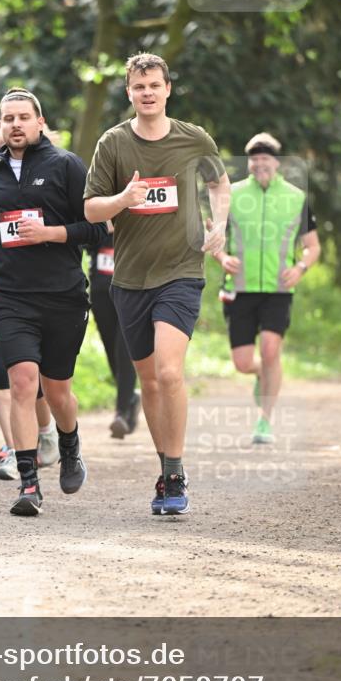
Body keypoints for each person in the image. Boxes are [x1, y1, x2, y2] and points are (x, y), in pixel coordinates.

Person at [84, 53, 230, 516]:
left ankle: (176, 470)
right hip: (128, 278)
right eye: (138, 86)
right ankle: (165, 468)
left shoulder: (194, 138)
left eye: (154, 85)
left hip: (181, 271)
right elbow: (90, 210)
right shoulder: (113, 144)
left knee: (169, 373)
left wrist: (219, 224)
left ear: (168, 89)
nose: (147, 93)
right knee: (148, 381)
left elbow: (220, 183)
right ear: (129, 93)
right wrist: (123, 198)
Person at [0, 86, 107, 516]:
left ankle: (70, 444)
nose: (15, 125)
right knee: (23, 383)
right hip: (10, 296)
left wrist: (50, 234)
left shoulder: (66, 166)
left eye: (23, 117)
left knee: (57, 389)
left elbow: (98, 230)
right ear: (1, 125)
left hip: (62, 295)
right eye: (8, 119)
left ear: (39, 122)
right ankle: (28, 485)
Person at [213, 132, 320, 445]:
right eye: (254, 158)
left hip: (278, 289)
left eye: (266, 158)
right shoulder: (230, 195)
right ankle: (262, 373)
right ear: (249, 163)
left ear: (277, 162)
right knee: (243, 363)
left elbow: (312, 246)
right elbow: (215, 239)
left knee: (271, 350)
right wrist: (222, 256)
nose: (260, 163)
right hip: (240, 288)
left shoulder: (295, 198)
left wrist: (300, 268)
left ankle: (265, 421)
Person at [0, 197, 59, 481]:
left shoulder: (49, 177)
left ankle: (47, 433)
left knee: (31, 377)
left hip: (35, 290)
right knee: (3, 375)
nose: (6, 149)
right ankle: (15, 451)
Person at [87, 226, 140, 439]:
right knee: (111, 350)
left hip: (131, 288)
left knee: (123, 349)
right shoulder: (96, 200)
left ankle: (121, 412)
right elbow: (83, 238)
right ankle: (130, 399)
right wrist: (101, 225)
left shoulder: (137, 198)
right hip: (101, 289)